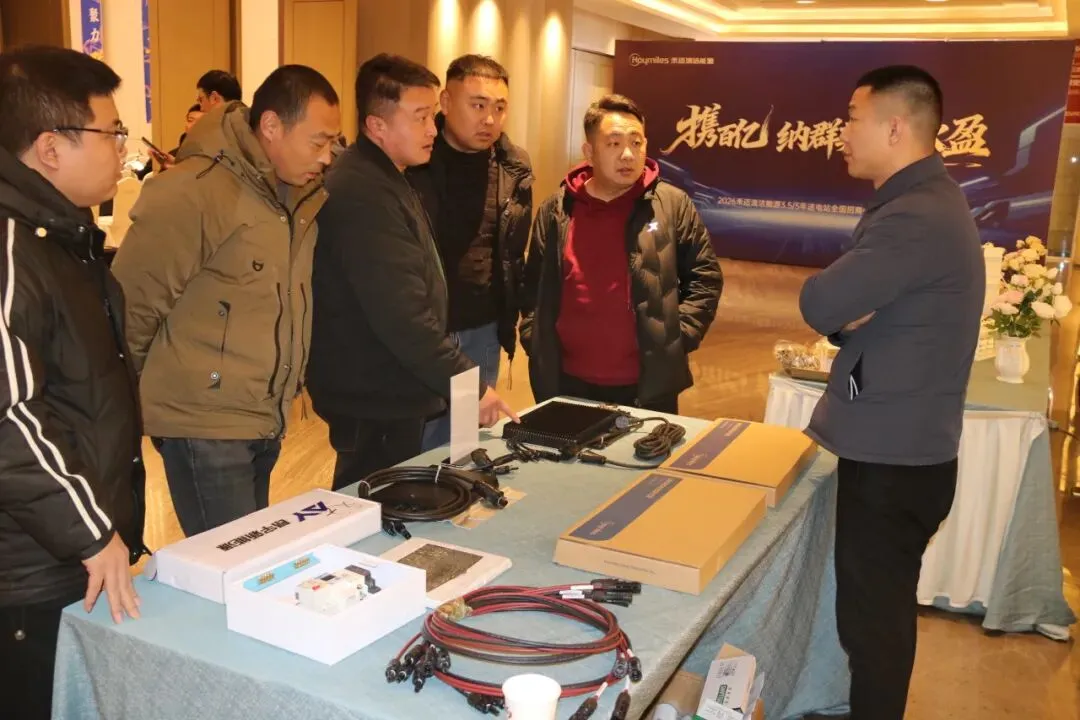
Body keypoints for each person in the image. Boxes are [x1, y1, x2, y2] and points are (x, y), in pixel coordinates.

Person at [798, 65, 983, 720]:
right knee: (873, 617)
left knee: (874, 627)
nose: (841, 132)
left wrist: (840, 314)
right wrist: (847, 322)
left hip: (892, 465)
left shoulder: (914, 216)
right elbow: (848, 323)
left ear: (896, 127)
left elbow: (820, 301)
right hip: (897, 451)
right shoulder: (921, 203)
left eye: (852, 118)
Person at [112, 66, 341, 537]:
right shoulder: (197, 189)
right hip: (204, 425)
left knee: (250, 557)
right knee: (229, 563)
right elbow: (130, 307)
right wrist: (119, 411)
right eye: (318, 142)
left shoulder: (295, 200)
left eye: (332, 143)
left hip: (263, 415)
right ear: (271, 126)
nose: (326, 157)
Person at [0, 46, 148, 720]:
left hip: (69, 549)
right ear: (50, 148)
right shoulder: (11, 249)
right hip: (32, 567)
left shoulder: (62, 238)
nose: (123, 149)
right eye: (111, 133)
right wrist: (91, 531)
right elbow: (9, 418)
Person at [308, 53, 517, 491]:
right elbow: (403, 316)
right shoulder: (363, 191)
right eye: (420, 117)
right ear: (377, 125)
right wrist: (471, 385)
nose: (432, 129)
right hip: (374, 390)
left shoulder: (387, 175)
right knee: (374, 503)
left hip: (386, 385)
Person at [520, 94, 722, 413]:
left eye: (636, 143)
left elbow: (705, 278)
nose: (628, 154)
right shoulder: (556, 210)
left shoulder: (671, 205)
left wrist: (675, 338)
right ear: (589, 152)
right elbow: (533, 287)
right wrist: (535, 338)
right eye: (614, 144)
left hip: (647, 386)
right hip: (567, 383)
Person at [409, 54, 534, 451]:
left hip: (482, 329)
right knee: (417, 447)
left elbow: (513, 252)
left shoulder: (514, 166)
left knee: (462, 445)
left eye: (499, 108)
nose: (489, 119)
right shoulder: (415, 159)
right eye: (478, 105)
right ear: (446, 103)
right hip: (426, 332)